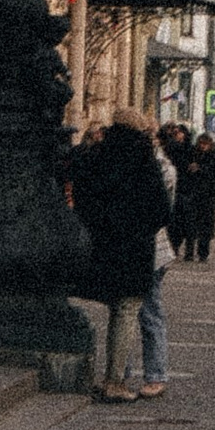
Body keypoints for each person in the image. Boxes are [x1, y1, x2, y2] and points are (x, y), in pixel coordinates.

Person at [70, 106, 174, 402]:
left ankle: (112, 377)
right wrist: (140, 228)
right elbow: (161, 210)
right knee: (126, 309)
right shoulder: (143, 159)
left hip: (102, 244)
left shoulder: (97, 155)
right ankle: (114, 380)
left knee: (114, 305)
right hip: (134, 247)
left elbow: (81, 192)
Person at [181, 127, 215, 262]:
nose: (203, 146)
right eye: (201, 143)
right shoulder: (192, 154)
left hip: (208, 197)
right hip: (193, 195)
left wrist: (200, 169)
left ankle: (203, 253)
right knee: (191, 226)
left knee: (205, 228)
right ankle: (189, 253)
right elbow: (185, 172)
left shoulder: (214, 158)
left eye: (205, 144)